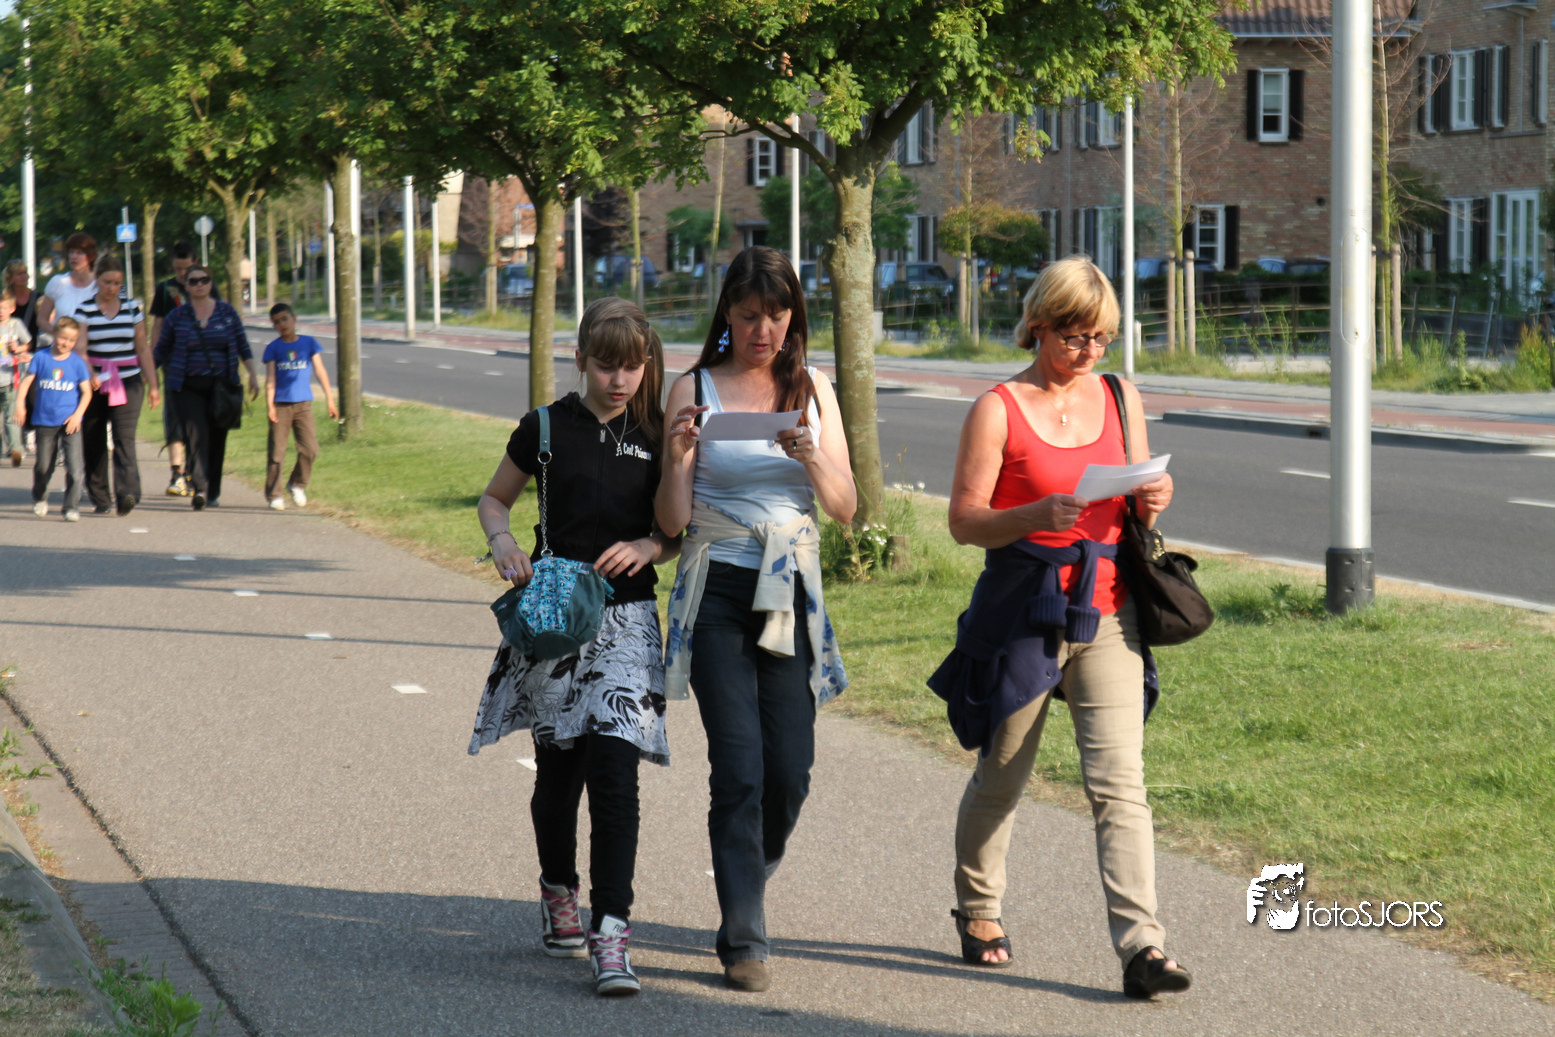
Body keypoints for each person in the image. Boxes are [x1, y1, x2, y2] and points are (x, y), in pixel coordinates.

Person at [927, 255, 1188, 999]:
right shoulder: (997, 408)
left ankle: (1142, 947)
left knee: (1120, 785)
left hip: (1107, 609)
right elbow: (963, 522)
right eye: (1075, 335)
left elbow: (1139, 490)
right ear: (1038, 326)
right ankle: (979, 908)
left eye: (1101, 337)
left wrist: (1155, 495)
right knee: (1002, 774)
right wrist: (1032, 516)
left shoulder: (1119, 395)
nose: (1088, 351)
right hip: (1022, 609)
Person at [655, 246, 855, 993]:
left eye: (776, 316)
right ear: (727, 316)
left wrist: (812, 458)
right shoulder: (692, 387)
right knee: (738, 766)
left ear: (793, 317)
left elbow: (846, 506)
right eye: (747, 317)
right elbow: (670, 521)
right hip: (716, 589)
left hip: (789, 591)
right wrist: (678, 456)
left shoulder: (813, 388)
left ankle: (747, 874)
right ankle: (744, 936)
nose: (762, 331)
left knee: (789, 772)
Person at [470, 297, 678, 998]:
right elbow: (494, 499)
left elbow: (676, 531)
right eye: (606, 365)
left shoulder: (657, 432)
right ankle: (557, 886)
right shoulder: (545, 426)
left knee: (616, 777)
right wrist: (503, 541)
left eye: (631, 367)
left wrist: (649, 545)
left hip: (627, 622)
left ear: (646, 364)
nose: (619, 380)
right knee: (559, 780)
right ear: (581, 358)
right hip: (557, 621)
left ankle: (611, 932)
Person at [153, 263, 259, 511]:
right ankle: (199, 487)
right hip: (186, 386)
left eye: (204, 280)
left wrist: (253, 374)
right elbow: (161, 349)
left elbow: (242, 345)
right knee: (196, 436)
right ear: (186, 286)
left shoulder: (227, 312)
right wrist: (147, 376)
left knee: (217, 438)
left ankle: (212, 491)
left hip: (221, 385)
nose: (199, 285)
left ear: (210, 284)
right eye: (193, 281)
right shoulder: (177, 316)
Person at [75, 255, 159, 516]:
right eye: (107, 282)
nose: (112, 288)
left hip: (128, 381)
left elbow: (142, 348)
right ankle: (100, 496)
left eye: (117, 283)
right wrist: (89, 373)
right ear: (97, 280)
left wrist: (154, 385)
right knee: (94, 438)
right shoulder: (85, 310)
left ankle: (127, 493)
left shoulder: (132, 308)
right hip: (95, 382)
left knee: (124, 438)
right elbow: (80, 348)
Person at [149, 240, 216, 496]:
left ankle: (193, 470)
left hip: (202, 364)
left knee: (199, 420)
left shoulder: (207, 285)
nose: (181, 274)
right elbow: (157, 325)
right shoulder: (165, 289)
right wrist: (153, 363)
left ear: (195, 263)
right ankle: (177, 473)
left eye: (186, 269)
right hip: (173, 363)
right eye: (177, 269)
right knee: (175, 415)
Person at [15, 317, 92, 521]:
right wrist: (20, 404)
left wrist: (77, 415)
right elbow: (26, 383)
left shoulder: (77, 363)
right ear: (54, 335)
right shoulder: (41, 358)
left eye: (71, 340)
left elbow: (87, 392)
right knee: (43, 467)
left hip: (70, 423)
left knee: (75, 469)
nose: (66, 343)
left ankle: (70, 506)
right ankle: (40, 497)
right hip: (45, 421)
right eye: (62, 338)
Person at [262, 303, 337, 510]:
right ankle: (274, 494)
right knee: (277, 452)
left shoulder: (309, 343)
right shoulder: (273, 348)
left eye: (285, 319)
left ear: (294, 319)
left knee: (310, 449)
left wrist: (330, 399)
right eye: (276, 322)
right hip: (281, 405)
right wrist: (270, 406)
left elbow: (320, 371)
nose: (282, 324)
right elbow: (270, 379)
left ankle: (297, 483)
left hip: (303, 405)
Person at [37, 233, 98, 333]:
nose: (74, 257)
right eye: (71, 252)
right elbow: (42, 319)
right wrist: (58, 335)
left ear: (90, 255)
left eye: (79, 253)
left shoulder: (99, 284)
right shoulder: (58, 282)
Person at [1, 291, 32, 466]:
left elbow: (28, 343)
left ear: (12, 309)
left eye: (4, 308)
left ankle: (16, 449)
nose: (1, 311)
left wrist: (18, 349)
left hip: (11, 378)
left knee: (11, 417)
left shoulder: (15, 324)